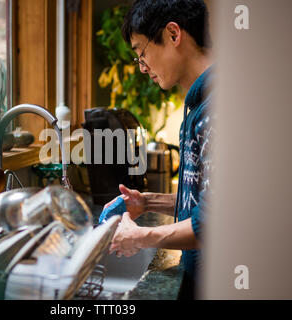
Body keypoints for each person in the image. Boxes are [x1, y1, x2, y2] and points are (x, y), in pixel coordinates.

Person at [105, 0, 214, 299]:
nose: (142, 68)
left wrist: (141, 236)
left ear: (173, 34)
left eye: (142, 52)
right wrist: (148, 201)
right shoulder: (198, 103)